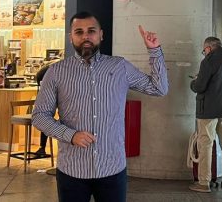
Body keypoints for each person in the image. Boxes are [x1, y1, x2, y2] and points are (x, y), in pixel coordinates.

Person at [32, 12, 168, 202]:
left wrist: (154, 51)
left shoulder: (120, 67)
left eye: (91, 31)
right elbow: (39, 116)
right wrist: (70, 135)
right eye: (79, 32)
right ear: (71, 37)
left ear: (101, 34)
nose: (85, 36)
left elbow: (159, 88)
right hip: (72, 170)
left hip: (112, 169)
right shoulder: (56, 72)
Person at [188, 37, 222, 193]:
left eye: (204, 50)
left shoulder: (208, 61)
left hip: (209, 110)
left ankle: (203, 183)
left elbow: (200, 86)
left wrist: (194, 81)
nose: (204, 53)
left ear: (209, 48)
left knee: (205, 143)